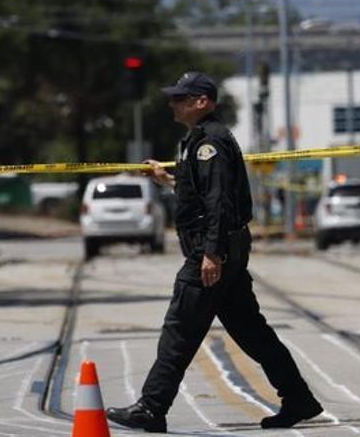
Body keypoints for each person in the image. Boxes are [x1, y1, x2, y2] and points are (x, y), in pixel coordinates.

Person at [107, 71, 323, 432]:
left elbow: (218, 201)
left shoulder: (210, 142)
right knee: (252, 332)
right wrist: (169, 181)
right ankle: (299, 398)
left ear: (201, 102)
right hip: (226, 246)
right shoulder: (198, 139)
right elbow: (203, 193)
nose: (172, 103)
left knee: (180, 329)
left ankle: (151, 406)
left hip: (213, 249)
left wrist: (211, 253)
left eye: (180, 97)